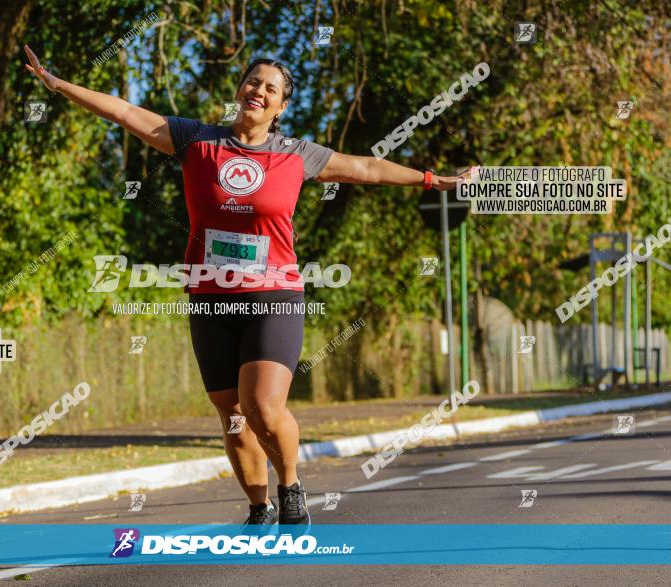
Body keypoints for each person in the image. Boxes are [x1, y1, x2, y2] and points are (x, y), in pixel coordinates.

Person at [24, 46, 470, 529]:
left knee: (261, 404)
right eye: (252, 82)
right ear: (240, 90)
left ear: (281, 107)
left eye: (270, 88)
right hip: (210, 296)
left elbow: (365, 167)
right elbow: (128, 112)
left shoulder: (296, 155)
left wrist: (433, 180)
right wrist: (60, 85)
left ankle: (292, 485)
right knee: (232, 414)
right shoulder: (197, 140)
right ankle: (258, 507)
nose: (258, 91)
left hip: (272, 293)